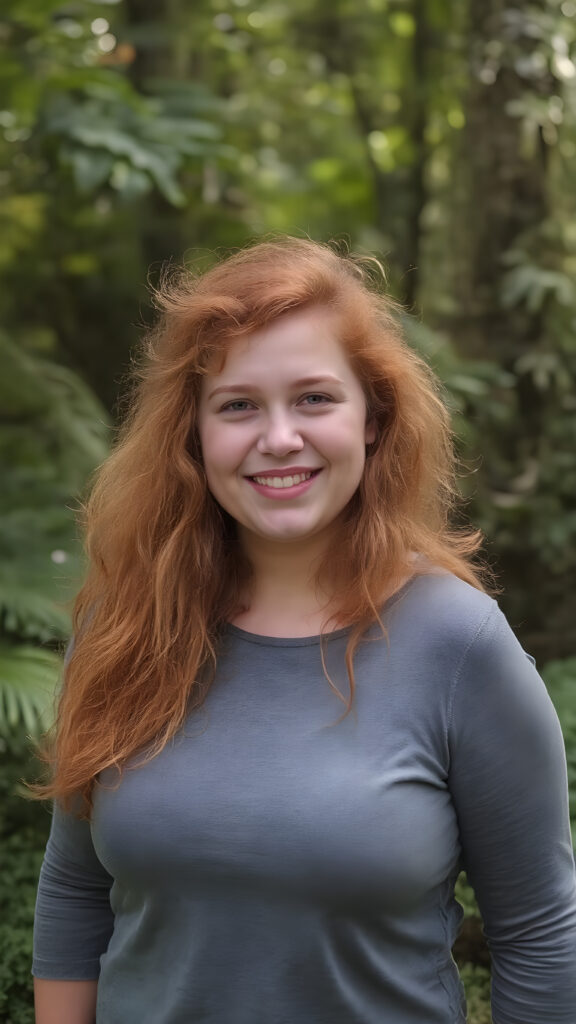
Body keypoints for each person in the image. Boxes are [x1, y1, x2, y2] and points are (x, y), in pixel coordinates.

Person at [32, 237, 576, 1024]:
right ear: (194, 435)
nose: (278, 437)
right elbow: (76, 889)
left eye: (315, 398)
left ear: (374, 423)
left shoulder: (460, 645)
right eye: (239, 404)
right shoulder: (127, 625)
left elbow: (542, 932)